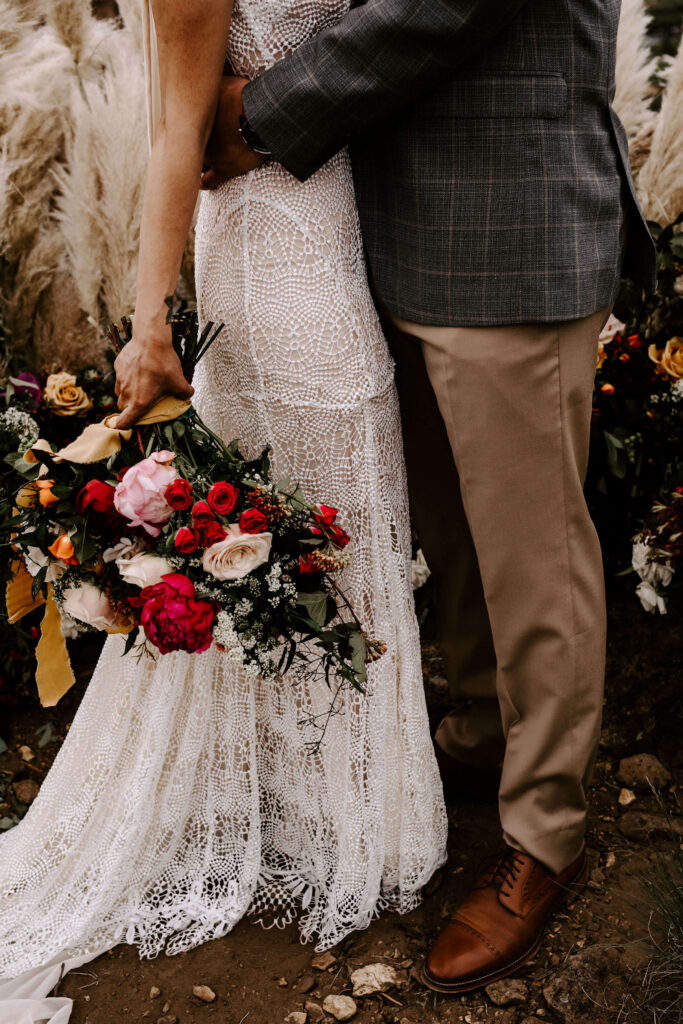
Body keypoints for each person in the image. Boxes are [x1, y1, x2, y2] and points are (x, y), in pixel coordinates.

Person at [0, 1, 448, 1020]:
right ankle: (338, 818)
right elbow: (175, 130)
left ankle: (324, 807)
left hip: (336, 225)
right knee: (313, 525)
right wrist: (148, 322)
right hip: (277, 257)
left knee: (325, 530)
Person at [200, 0, 657, 994]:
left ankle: (544, 831)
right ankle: (485, 733)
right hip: (396, 225)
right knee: (454, 535)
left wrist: (264, 110)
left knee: (534, 554)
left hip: (509, 218)